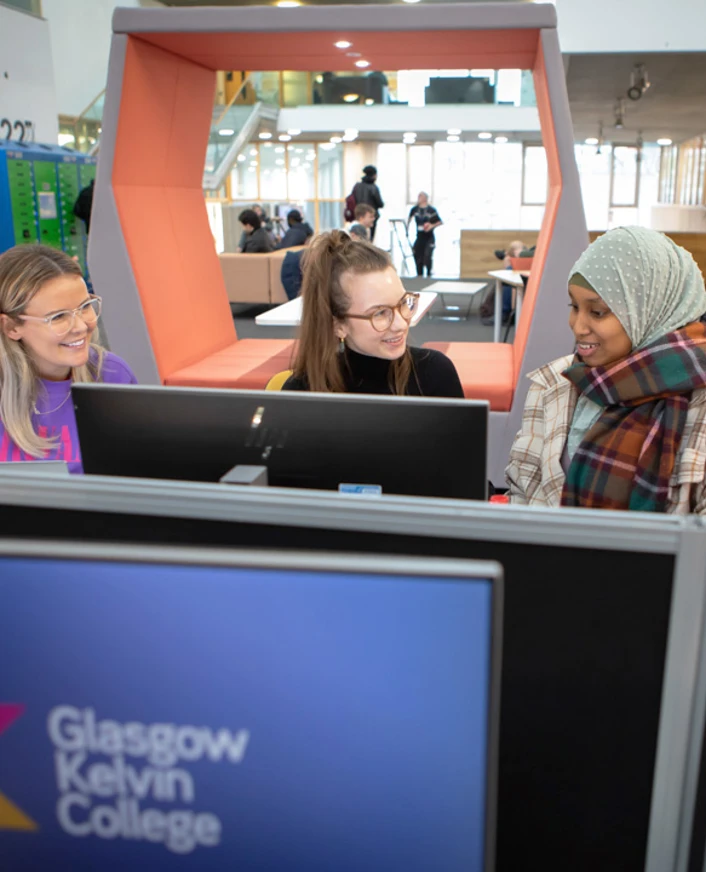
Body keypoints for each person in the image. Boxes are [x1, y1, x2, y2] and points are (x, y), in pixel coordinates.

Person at [506, 226, 706, 514]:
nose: (578, 326)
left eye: (597, 312)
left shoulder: (697, 400)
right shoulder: (554, 383)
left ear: (649, 309)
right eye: (574, 306)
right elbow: (520, 494)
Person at [0, 244, 137, 473]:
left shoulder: (112, 374)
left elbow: (138, 470)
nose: (81, 326)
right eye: (58, 316)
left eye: (85, 307)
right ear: (11, 327)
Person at [283, 230, 463, 397]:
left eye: (402, 303)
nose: (401, 324)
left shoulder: (435, 374)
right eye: (379, 313)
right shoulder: (301, 391)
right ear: (338, 326)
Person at [407, 192, 443, 277]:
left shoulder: (431, 210)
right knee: (417, 256)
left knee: (427, 256)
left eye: (420, 196)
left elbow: (440, 222)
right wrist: (407, 230)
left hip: (429, 236)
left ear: (425, 198)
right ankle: (419, 275)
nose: (418, 198)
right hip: (419, 236)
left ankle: (429, 274)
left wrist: (431, 226)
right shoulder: (414, 209)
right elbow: (409, 219)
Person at [353, 166, 384, 242]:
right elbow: (380, 203)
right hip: (370, 214)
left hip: (359, 213)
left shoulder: (357, 186)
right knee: (368, 239)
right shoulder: (374, 187)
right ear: (374, 175)